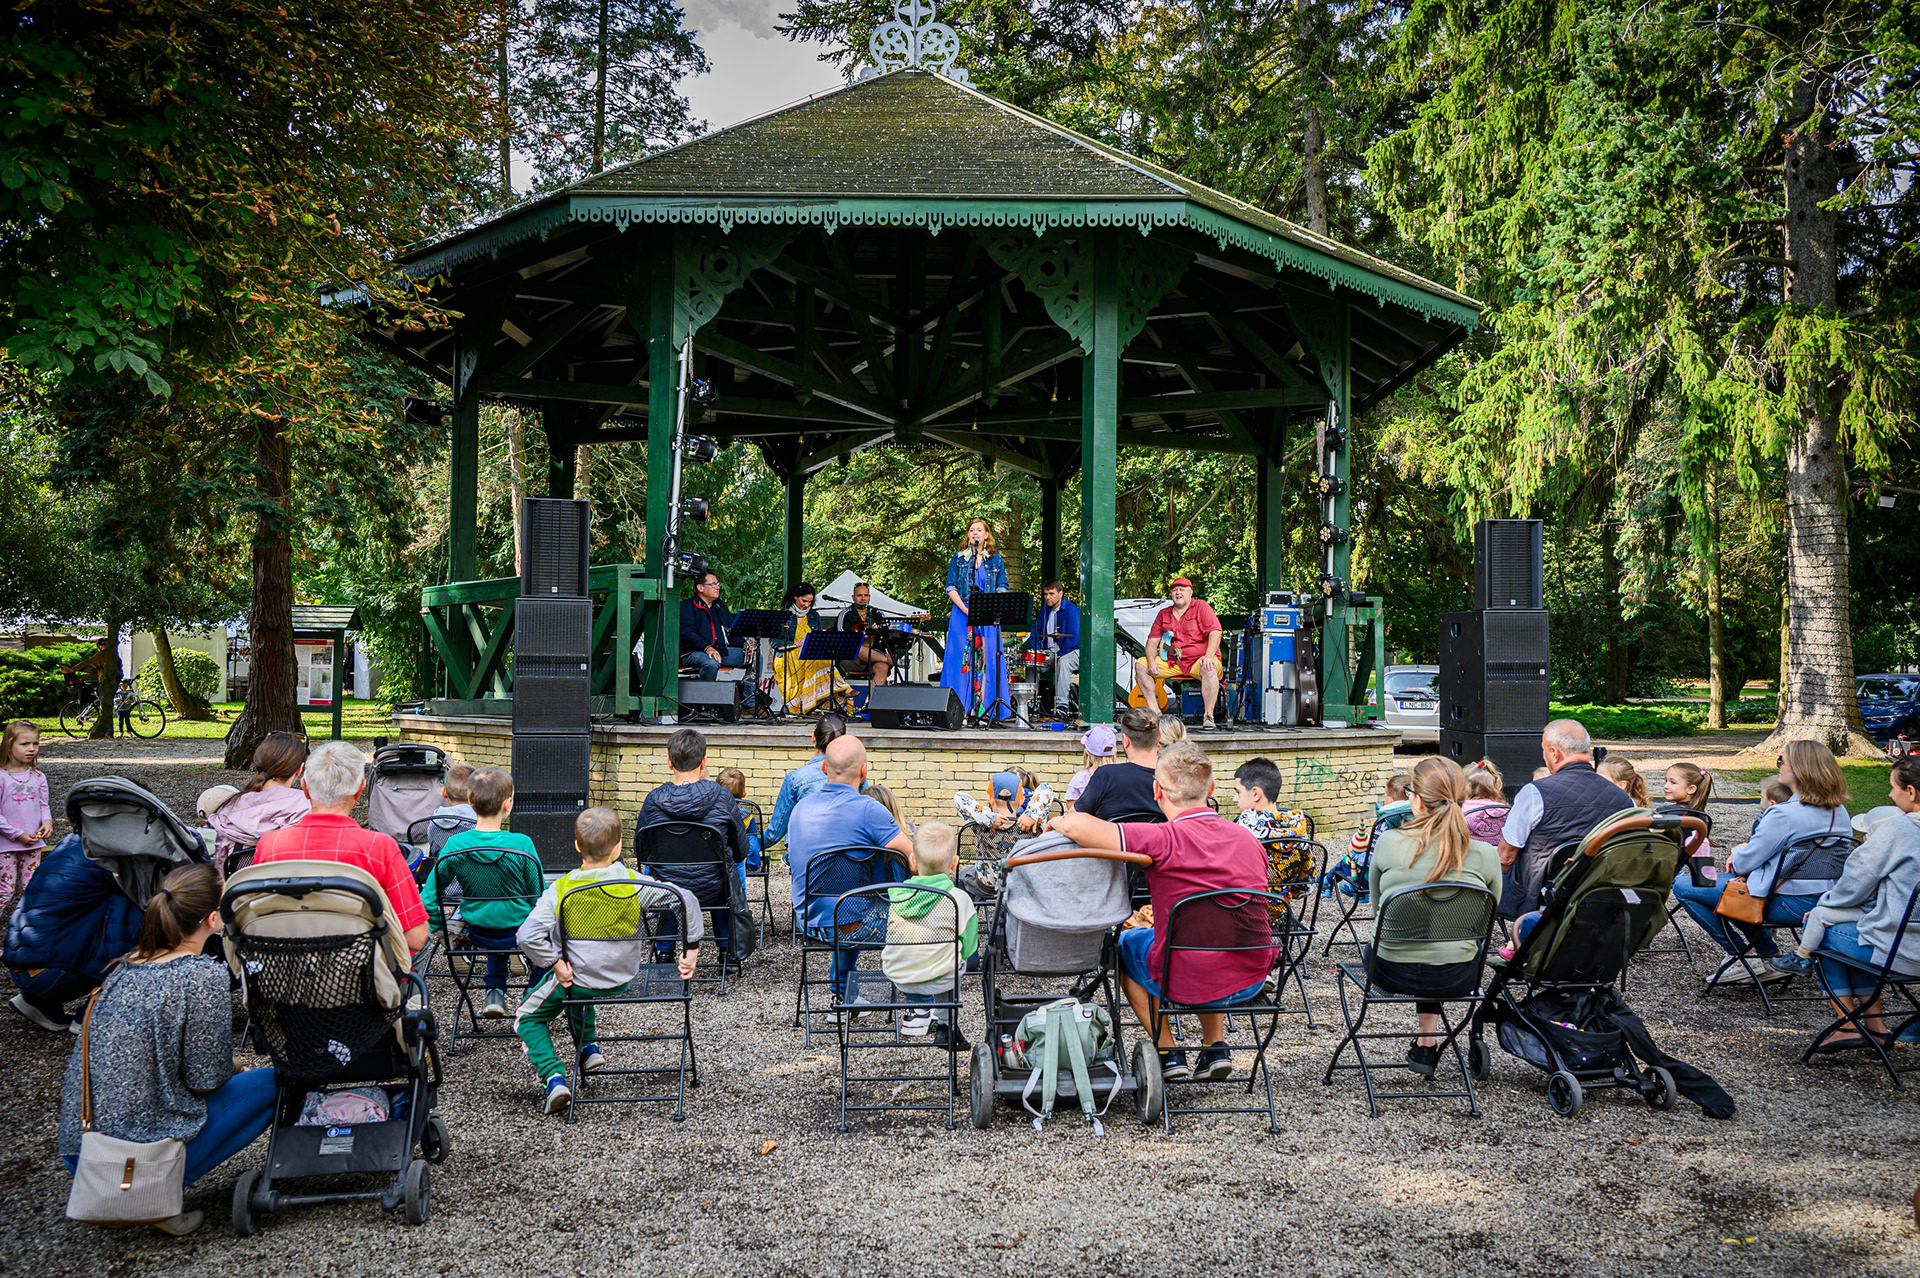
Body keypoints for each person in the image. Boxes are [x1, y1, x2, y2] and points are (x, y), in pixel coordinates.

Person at [58, 864, 276, 1237]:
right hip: (137, 1160)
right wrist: (235, 1064)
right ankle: (157, 1196)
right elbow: (205, 1079)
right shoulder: (202, 976)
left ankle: (129, 1195)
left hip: (83, 1152)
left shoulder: (123, 969)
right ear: (213, 919)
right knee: (274, 1082)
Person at [1050, 743, 1274, 1081]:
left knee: (1125, 945)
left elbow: (1076, 825)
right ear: (1211, 789)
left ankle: (1168, 1051)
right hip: (1251, 972)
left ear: (1157, 790)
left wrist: (1057, 821)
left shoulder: (1162, 838)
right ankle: (1215, 1046)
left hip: (1184, 973)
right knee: (1210, 937)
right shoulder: (1248, 840)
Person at [514, 807, 701, 1115]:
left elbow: (527, 936)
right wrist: (691, 949)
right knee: (576, 990)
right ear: (617, 847)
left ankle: (553, 1077)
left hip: (578, 982)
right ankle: (588, 1048)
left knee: (527, 1017)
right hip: (625, 976)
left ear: (577, 845)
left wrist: (556, 965)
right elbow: (686, 900)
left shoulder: (561, 889)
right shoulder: (635, 883)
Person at [1671, 738, 1853, 981]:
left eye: (1781, 761)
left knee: (1685, 886)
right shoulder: (1839, 812)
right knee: (1732, 889)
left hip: (1785, 903)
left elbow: (1744, 864)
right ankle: (1766, 955)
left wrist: (1738, 851)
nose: (1778, 766)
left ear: (1798, 769)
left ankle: (1742, 956)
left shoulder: (1783, 813)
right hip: (1824, 900)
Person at [1364, 757, 1503, 1073]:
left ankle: (1426, 1040)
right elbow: (1487, 917)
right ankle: (1426, 1040)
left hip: (1390, 969)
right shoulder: (1485, 854)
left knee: (1421, 937)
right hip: (1456, 975)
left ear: (1416, 800)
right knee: (1439, 939)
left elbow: (1378, 909)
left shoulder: (1389, 843)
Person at [1785, 758, 1920, 1045]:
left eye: (1893, 787)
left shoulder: (1899, 830)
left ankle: (1848, 1025)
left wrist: (1825, 906)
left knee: (1821, 930)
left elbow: (1854, 883)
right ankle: (1875, 1026)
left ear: (1911, 792)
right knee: (1852, 931)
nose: (1889, 795)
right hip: (1909, 941)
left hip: (1905, 951)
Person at [254, 739, 431, 954]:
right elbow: (415, 937)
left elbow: (256, 919)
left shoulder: (270, 845)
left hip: (286, 966)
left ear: (305, 788)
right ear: (360, 790)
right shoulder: (379, 847)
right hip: (361, 968)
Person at [784, 736, 915, 1001]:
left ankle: (844, 996)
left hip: (808, 922)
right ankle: (922, 1004)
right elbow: (914, 857)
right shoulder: (869, 809)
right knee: (924, 917)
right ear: (864, 770)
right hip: (853, 925)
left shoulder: (799, 809)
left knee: (848, 898)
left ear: (824, 768)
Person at [421, 765, 545, 1018]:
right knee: (552, 951)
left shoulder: (455, 845)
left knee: (495, 927)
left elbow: (428, 898)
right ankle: (532, 996)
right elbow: (538, 896)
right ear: (508, 803)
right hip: (518, 930)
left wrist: (442, 930)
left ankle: (495, 992)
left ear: (470, 800)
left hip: (478, 932)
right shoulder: (522, 844)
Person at [1496, 720, 1634, 923]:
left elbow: (1506, 857)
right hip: (1601, 894)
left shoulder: (1535, 792)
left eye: (1543, 750)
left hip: (1541, 897)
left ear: (1554, 753)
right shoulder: (1625, 799)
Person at [637, 728, 752, 966]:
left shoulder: (653, 801)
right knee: (723, 875)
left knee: (669, 882)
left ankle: (665, 952)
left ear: (669, 762)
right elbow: (741, 850)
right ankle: (726, 951)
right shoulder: (723, 797)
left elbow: (641, 852)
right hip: (715, 887)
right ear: (703, 762)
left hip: (669, 889)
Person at [880, 821, 976, 1047]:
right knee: (956, 958)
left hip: (898, 975)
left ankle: (927, 1015)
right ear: (954, 863)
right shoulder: (958, 899)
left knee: (946, 956)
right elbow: (970, 948)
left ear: (913, 860)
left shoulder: (897, 895)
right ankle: (946, 1024)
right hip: (941, 979)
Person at [202, 731, 310, 870]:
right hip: (287, 881)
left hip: (240, 882)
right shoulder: (306, 805)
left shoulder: (231, 807)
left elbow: (220, 865)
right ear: (299, 769)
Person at [941, 517, 1011, 718]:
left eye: (979, 530)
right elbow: (951, 587)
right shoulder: (959, 558)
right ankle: (959, 710)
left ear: (986, 535)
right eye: (972, 530)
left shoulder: (995, 560)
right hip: (962, 614)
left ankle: (984, 710)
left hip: (988, 615)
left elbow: (1002, 586)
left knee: (987, 660)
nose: (975, 533)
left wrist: (993, 605)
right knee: (961, 661)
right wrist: (967, 610)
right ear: (968, 535)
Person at [1138, 577, 1225, 732]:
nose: (1178, 593)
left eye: (1182, 589)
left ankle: (1208, 717)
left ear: (1190, 592)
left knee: (1209, 667)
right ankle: (1156, 713)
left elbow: (1216, 632)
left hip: (1198, 661)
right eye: (1174, 590)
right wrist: (1151, 661)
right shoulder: (1163, 614)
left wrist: (1208, 656)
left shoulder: (1201, 607)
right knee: (1141, 665)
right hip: (1174, 662)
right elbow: (1152, 642)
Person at [764, 714, 847, 846]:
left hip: (804, 853)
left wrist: (747, 845)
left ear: (813, 737)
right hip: (845, 852)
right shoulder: (856, 777)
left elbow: (774, 833)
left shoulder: (795, 779)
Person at [0, 719, 53, 923]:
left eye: (35, 743)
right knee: (5, 890)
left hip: (33, 843)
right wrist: (17, 834)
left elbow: (44, 805)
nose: (31, 749)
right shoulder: (2, 777)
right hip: (6, 845)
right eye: (24, 744)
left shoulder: (38, 776)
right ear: (9, 745)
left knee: (32, 888)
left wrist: (47, 822)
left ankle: (30, 930)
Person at [1072, 706, 1163, 819]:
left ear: (1125, 740)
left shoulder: (1106, 776)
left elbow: (1073, 818)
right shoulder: (1175, 776)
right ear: (1159, 736)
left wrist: (1055, 821)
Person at [954, 768, 1053, 860]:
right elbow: (1046, 787)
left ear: (991, 800)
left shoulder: (981, 823)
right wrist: (1031, 813)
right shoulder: (1034, 824)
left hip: (986, 874)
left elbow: (958, 796)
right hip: (1024, 874)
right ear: (1021, 801)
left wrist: (989, 819)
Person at [774, 582, 840, 715]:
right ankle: (840, 687)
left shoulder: (813, 615)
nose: (807, 605)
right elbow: (774, 641)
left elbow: (820, 638)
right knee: (816, 661)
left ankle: (818, 705)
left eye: (810, 602)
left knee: (824, 660)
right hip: (788, 654)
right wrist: (793, 644)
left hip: (810, 653)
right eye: (804, 601)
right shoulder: (783, 615)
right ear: (795, 597)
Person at [679, 569, 744, 682]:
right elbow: (687, 633)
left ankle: (748, 693)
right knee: (711, 663)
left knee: (755, 658)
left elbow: (731, 631)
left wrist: (745, 645)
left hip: (719, 652)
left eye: (718, 584)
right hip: (693, 653)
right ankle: (705, 693)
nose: (718, 587)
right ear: (700, 588)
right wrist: (707, 647)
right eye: (713, 584)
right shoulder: (687, 606)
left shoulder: (720, 606)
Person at [835, 581, 896, 696]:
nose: (863, 598)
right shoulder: (845, 614)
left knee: (883, 668)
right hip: (852, 658)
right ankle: (891, 660)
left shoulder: (877, 614)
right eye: (859, 595)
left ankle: (871, 702)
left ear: (869, 597)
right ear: (853, 597)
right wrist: (861, 636)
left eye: (866, 595)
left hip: (874, 657)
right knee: (857, 647)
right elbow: (842, 637)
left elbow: (887, 635)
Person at [1029, 580, 1080, 711]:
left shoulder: (1072, 610)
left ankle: (1061, 706)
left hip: (1072, 651)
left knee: (1063, 663)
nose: (1048, 597)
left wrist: (1059, 656)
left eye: (1051, 594)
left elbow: (1073, 639)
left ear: (1060, 593)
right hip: (1051, 652)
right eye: (1045, 594)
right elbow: (1035, 631)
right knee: (1031, 662)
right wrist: (1037, 651)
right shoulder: (1044, 610)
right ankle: (1030, 703)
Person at [1231, 757, 1309, 841]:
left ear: (1255, 794)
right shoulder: (1297, 823)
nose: (1234, 799)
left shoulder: (1242, 829)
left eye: (1238, 792)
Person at [715, 766, 762, 870]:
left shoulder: (712, 814)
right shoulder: (747, 817)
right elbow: (753, 847)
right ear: (744, 793)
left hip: (716, 861)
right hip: (738, 859)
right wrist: (753, 865)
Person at [1065, 723, 1117, 811]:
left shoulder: (1081, 777)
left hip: (1086, 818)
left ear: (1087, 752)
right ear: (1115, 752)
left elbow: (1070, 806)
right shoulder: (1122, 775)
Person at [1461, 761, 1508, 844]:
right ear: (1495, 786)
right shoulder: (1506, 810)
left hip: (1470, 850)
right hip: (1499, 851)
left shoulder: (1460, 809)